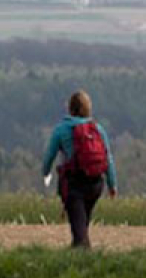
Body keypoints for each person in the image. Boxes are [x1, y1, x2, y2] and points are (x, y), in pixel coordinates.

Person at [40, 90, 117, 249]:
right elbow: (108, 158)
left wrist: (45, 172)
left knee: (79, 233)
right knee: (81, 226)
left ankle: (82, 261)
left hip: (74, 185)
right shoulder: (97, 129)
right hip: (95, 184)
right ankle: (81, 258)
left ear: (70, 108)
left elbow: (49, 156)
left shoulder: (61, 129)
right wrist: (112, 185)